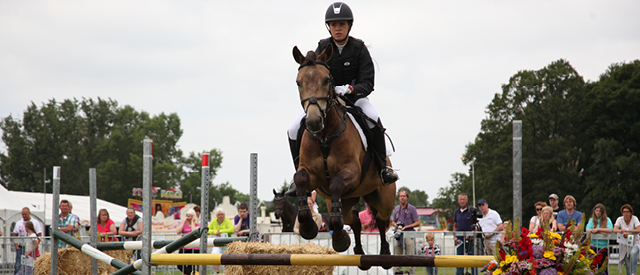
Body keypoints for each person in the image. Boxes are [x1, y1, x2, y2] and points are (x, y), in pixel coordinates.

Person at [285, 2, 397, 198]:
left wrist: (351, 89)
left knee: (373, 117)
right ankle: (300, 176)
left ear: (349, 26)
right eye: (334, 24)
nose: (338, 28)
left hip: (355, 99)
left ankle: (383, 168)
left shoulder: (359, 48)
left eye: (342, 24)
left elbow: (368, 82)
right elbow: (314, 76)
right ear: (329, 27)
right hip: (327, 102)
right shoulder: (322, 46)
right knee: (294, 128)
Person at [390, 190, 419, 275]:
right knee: (397, 257)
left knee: (410, 257)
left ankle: (411, 273)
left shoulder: (412, 208)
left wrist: (406, 227)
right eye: (400, 196)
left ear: (407, 198)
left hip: (409, 234)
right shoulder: (396, 208)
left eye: (404, 196)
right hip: (398, 234)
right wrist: (395, 224)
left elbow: (417, 223)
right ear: (399, 198)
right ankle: (398, 273)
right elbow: (392, 221)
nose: (402, 197)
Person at [12, 207, 43, 274]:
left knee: (30, 267)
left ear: (29, 213)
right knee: (19, 265)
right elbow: (15, 235)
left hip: (30, 251)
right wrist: (17, 247)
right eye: (22, 214)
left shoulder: (35, 223)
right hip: (21, 248)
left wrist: (33, 248)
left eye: (25, 214)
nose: (24, 216)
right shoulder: (18, 223)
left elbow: (39, 236)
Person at [453, 193, 477, 275]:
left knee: (472, 260)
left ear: (466, 200)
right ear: (458, 201)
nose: (462, 201)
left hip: (470, 239)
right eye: (461, 199)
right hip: (460, 239)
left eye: (464, 199)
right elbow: (455, 225)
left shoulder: (471, 211)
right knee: (459, 260)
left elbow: (475, 225)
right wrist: (455, 236)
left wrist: (472, 235)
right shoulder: (456, 212)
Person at [613, 204, 640, 275]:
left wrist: (628, 231)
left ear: (631, 212)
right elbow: (615, 229)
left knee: (633, 253)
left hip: (635, 242)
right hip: (624, 244)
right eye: (624, 212)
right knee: (627, 264)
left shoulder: (634, 219)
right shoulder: (619, 219)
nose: (625, 213)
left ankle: (633, 273)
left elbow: (638, 229)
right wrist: (622, 231)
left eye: (627, 212)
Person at [585, 203, 613, 270]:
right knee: (592, 266)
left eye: (600, 211)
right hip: (593, 246)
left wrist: (598, 229)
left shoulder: (607, 220)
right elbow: (587, 230)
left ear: (602, 212)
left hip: (603, 246)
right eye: (596, 210)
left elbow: (610, 230)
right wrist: (602, 231)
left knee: (603, 267)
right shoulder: (591, 220)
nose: (598, 212)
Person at [208, 207, 234, 275]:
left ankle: (226, 272)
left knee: (226, 257)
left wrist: (221, 231)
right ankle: (217, 271)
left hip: (226, 244)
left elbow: (232, 229)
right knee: (214, 254)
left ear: (224, 215)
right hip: (216, 243)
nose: (220, 216)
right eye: (218, 214)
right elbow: (207, 230)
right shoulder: (213, 221)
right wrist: (215, 232)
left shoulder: (227, 221)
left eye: (222, 214)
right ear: (216, 216)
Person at [176, 208, 200, 275]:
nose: (189, 218)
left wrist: (192, 222)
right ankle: (191, 274)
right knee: (179, 265)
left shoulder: (198, 224)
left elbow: (194, 232)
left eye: (190, 216)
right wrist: (184, 222)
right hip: (184, 247)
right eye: (188, 216)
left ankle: (191, 273)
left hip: (194, 248)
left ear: (194, 216)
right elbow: (178, 231)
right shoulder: (183, 223)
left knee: (191, 266)